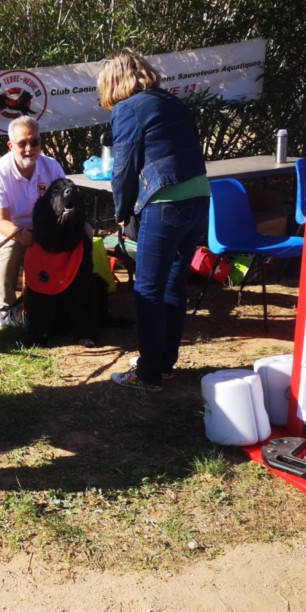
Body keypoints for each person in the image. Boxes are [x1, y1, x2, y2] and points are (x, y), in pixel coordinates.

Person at [96, 49, 210, 391]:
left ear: (113, 84)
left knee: (148, 289)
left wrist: (121, 213)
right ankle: (163, 365)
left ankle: (146, 375)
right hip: (199, 196)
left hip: (165, 202)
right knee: (174, 284)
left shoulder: (127, 108)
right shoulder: (172, 101)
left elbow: (124, 168)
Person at [0, 116, 66, 328]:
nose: (29, 148)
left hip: (38, 224)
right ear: (10, 145)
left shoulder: (51, 167)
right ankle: (4, 308)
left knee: (83, 231)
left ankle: (63, 295)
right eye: (22, 143)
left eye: (34, 142)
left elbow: (65, 203)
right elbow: (1, 221)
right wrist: (20, 233)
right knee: (12, 242)